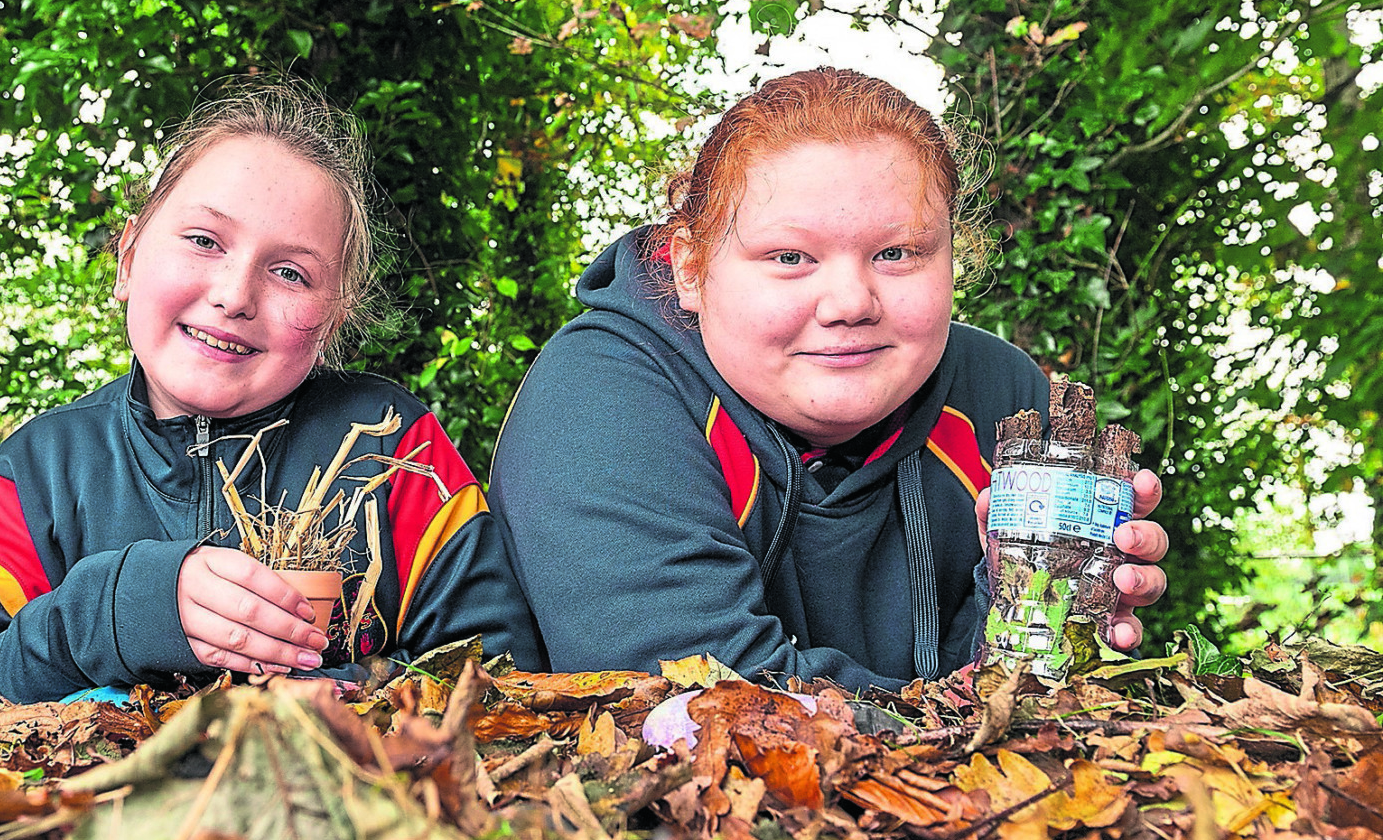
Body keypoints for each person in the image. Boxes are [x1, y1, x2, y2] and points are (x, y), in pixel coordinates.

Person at [488, 68, 1169, 691]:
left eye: (897, 252)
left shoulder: (1001, 403)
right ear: (690, 268)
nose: (849, 303)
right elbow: (706, 701)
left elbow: (1025, 695)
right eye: (790, 256)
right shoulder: (599, 402)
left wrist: (1035, 610)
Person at [0, 81, 524, 743]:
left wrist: (334, 697)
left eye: (291, 273)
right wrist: (106, 616)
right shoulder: (40, 471)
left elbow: (511, 684)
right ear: (128, 257)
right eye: (203, 239)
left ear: (334, 318)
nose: (234, 294)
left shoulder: (398, 451)